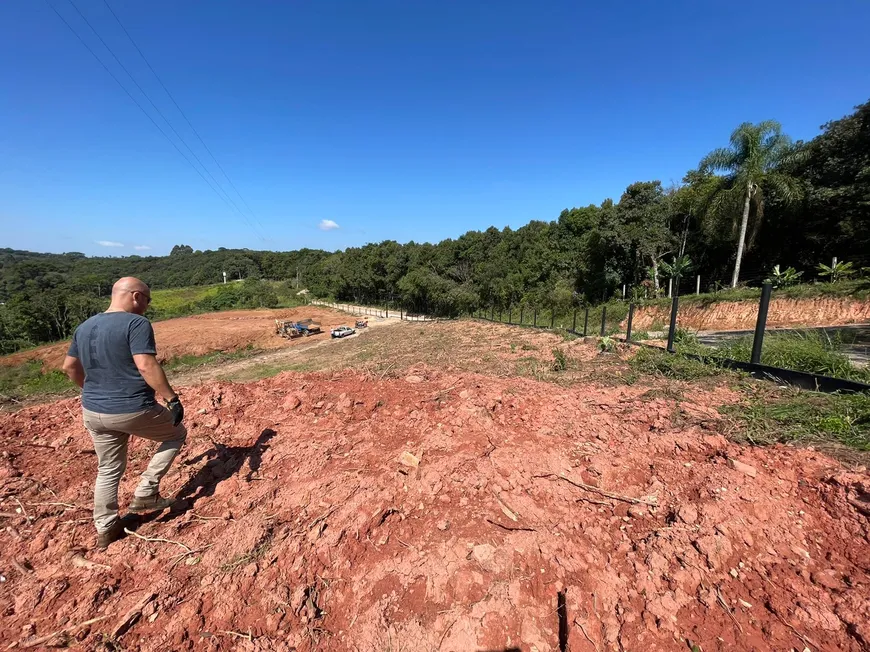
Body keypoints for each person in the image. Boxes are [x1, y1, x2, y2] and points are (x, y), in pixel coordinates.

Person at [63, 277, 186, 549]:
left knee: (107, 469)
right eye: (147, 300)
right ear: (135, 296)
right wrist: (171, 399)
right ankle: (146, 492)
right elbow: (145, 364)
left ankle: (106, 527)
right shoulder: (136, 323)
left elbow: (69, 367)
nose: (147, 306)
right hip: (132, 407)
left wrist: (93, 389)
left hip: (93, 411)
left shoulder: (84, 327)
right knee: (177, 433)